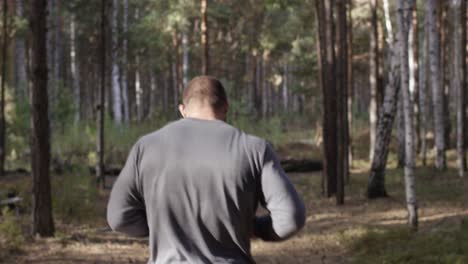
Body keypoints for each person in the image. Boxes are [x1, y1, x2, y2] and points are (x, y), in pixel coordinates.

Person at [107, 76, 306, 264]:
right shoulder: (253, 148)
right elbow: (290, 218)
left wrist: (163, 228)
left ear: (183, 110)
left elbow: (119, 217)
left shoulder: (146, 147)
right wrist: (256, 228)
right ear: (226, 107)